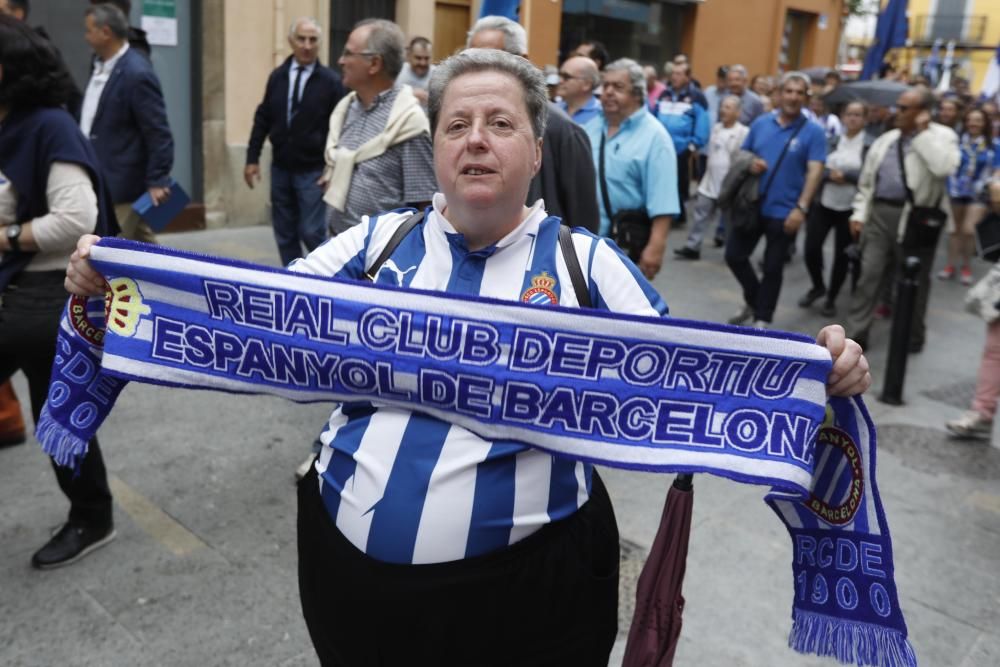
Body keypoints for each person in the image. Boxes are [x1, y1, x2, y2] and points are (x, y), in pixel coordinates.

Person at [65, 46, 872, 667]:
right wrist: (119, 281)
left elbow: (700, 381)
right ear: (438, 147)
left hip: (524, 603)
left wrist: (819, 370)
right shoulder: (379, 241)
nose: (476, 142)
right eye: (457, 125)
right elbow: (252, 314)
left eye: (500, 125)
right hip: (348, 584)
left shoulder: (588, 265)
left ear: (536, 146)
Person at [0, 15, 118, 568]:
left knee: (61, 416)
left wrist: (7, 237)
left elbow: (77, 218)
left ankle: (92, 517)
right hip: (13, 290)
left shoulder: (49, 125)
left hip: (47, 297)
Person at [846, 87, 961, 352]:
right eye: (897, 106)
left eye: (904, 108)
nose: (897, 112)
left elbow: (944, 167)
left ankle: (912, 334)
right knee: (869, 275)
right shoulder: (887, 139)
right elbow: (866, 182)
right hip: (879, 215)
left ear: (923, 113)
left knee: (914, 281)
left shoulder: (943, 137)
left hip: (915, 220)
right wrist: (860, 213)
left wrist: (920, 135)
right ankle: (857, 332)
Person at [469, 15, 599, 233]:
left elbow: (583, 220)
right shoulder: (464, 125)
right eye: (472, 60)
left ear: (522, 61)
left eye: (490, 60)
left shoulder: (563, 130)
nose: (478, 71)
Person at [726, 71, 826, 328]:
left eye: (799, 93)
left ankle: (762, 317)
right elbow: (742, 155)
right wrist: (751, 164)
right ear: (779, 94)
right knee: (734, 255)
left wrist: (801, 208)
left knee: (772, 267)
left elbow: (815, 172)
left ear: (806, 97)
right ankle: (755, 299)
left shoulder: (814, 132)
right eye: (788, 91)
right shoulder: (761, 123)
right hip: (753, 203)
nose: (793, 97)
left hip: (785, 210)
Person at [245, 17, 345, 267]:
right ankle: (293, 279)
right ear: (291, 41)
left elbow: (341, 128)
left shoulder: (330, 81)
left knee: (311, 231)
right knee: (285, 232)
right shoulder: (277, 76)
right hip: (280, 168)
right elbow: (263, 116)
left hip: (312, 172)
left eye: (313, 40)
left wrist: (334, 167)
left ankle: (325, 276)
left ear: (320, 44)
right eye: (301, 39)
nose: (307, 45)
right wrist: (251, 158)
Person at [322, 19, 436, 235]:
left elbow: (424, 207)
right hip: (334, 245)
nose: (340, 60)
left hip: (379, 259)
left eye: (348, 53)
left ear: (374, 64)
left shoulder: (408, 122)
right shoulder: (345, 109)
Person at [81, 3, 173, 243]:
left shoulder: (136, 72)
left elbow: (158, 131)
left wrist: (157, 179)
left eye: (89, 30)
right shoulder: (99, 65)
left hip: (123, 185)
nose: (85, 36)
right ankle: (169, 278)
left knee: (110, 249)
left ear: (106, 32)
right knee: (143, 243)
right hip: (106, 176)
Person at [585, 58, 678, 278]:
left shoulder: (656, 137)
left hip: (624, 244)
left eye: (617, 87)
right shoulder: (591, 127)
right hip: (584, 241)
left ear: (637, 94)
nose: (607, 92)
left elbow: (663, 200)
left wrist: (656, 247)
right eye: (605, 85)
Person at [800, 100, 872, 317]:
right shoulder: (831, 140)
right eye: (849, 113)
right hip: (825, 202)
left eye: (858, 114)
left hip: (850, 209)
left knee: (843, 256)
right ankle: (817, 285)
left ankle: (831, 297)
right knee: (811, 248)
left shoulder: (869, 145)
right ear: (842, 116)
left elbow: (871, 176)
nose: (853, 118)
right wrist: (828, 175)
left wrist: (847, 176)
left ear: (865, 119)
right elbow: (815, 167)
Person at [675, 94, 747, 259]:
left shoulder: (743, 132)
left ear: (737, 112)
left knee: (730, 221)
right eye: (722, 106)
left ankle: (733, 252)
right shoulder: (716, 128)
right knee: (700, 215)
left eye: (728, 108)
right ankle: (692, 246)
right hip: (709, 181)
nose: (723, 110)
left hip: (730, 185)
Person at [939, 106, 993, 285]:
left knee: (968, 231)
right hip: (955, 190)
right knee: (954, 230)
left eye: (978, 120)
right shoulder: (956, 142)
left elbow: (998, 170)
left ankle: (966, 265)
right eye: (970, 120)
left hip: (979, 192)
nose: (973, 123)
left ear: (985, 123)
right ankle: (950, 264)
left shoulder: (994, 146)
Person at [654, 62, 709, 227]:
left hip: (681, 150)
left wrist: (692, 146)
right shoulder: (664, 94)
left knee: (679, 184)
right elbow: (654, 116)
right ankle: (664, 213)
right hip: (660, 147)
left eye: (679, 74)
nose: (674, 77)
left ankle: (678, 215)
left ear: (687, 77)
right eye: (673, 73)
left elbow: (702, 124)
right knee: (661, 181)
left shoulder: (696, 96)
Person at [557, 55, 601, 125]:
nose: (560, 81)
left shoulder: (602, 114)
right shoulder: (553, 110)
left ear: (587, 84)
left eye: (566, 77)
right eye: (559, 75)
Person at [396, 36, 433, 107]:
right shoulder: (397, 72)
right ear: (409, 56)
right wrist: (409, 94)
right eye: (418, 58)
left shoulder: (438, 75)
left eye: (427, 58)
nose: (423, 63)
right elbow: (388, 98)